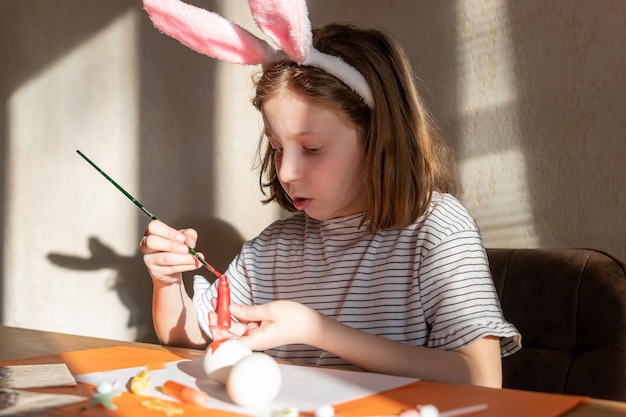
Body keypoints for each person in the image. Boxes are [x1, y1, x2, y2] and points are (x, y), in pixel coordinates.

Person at [140, 0, 520, 388]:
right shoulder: (271, 251)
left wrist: (317, 330)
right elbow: (187, 336)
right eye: (277, 147)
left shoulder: (436, 230)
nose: (286, 172)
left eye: (312, 149)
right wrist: (167, 283)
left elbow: (481, 378)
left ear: (378, 137)